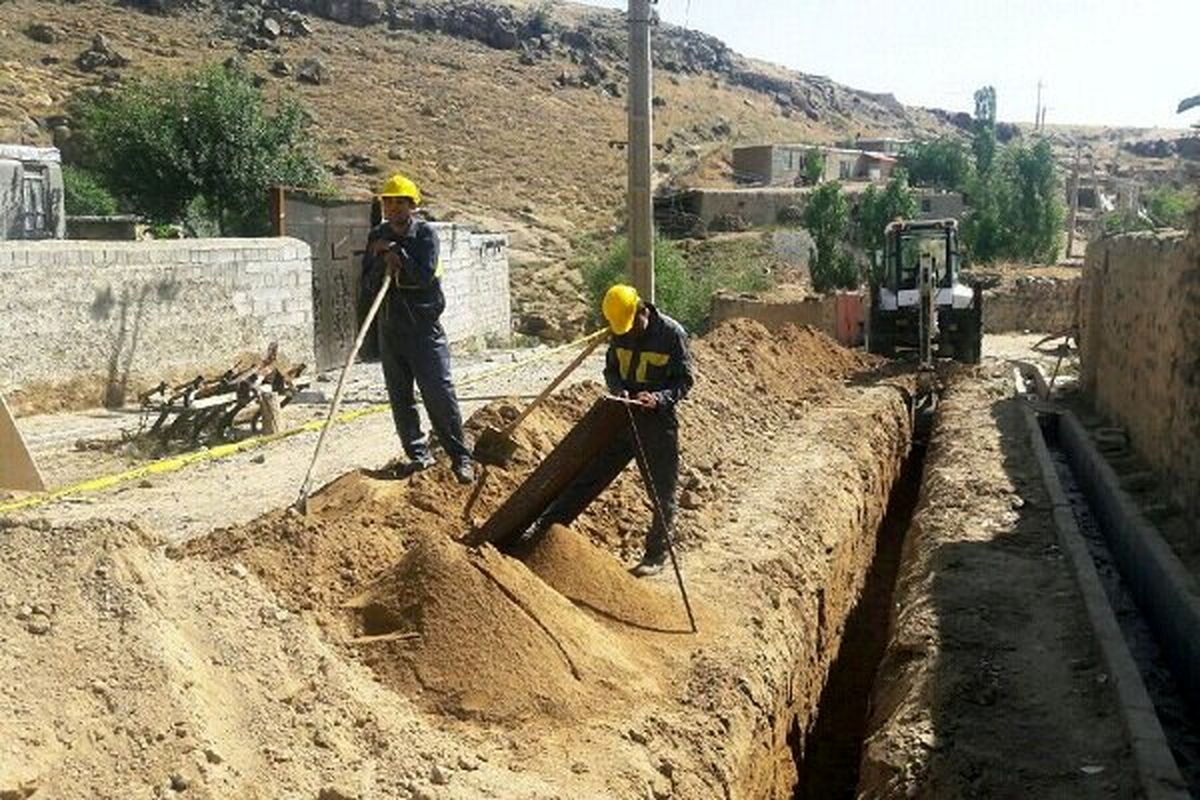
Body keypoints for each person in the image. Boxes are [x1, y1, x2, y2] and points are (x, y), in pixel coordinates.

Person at [536, 284, 694, 576]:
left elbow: (684, 381)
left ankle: (655, 556)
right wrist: (619, 390)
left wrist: (657, 398)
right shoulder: (619, 332)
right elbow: (611, 371)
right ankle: (544, 533)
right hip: (621, 418)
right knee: (588, 478)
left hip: (656, 423)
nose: (628, 333)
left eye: (633, 325)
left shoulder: (672, 334)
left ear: (642, 310)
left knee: (662, 492)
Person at [362, 173, 474, 485]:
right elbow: (367, 283)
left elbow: (424, 275)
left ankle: (460, 457)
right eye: (389, 201)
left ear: (413, 206)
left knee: (438, 391)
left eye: (401, 202)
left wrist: (400, 257)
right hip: (390, 329)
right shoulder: (377, 236)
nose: (394, 207)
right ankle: (418, 455)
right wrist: (380, 257)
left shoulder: (425, 235)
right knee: (400, 397)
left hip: (424, 329)